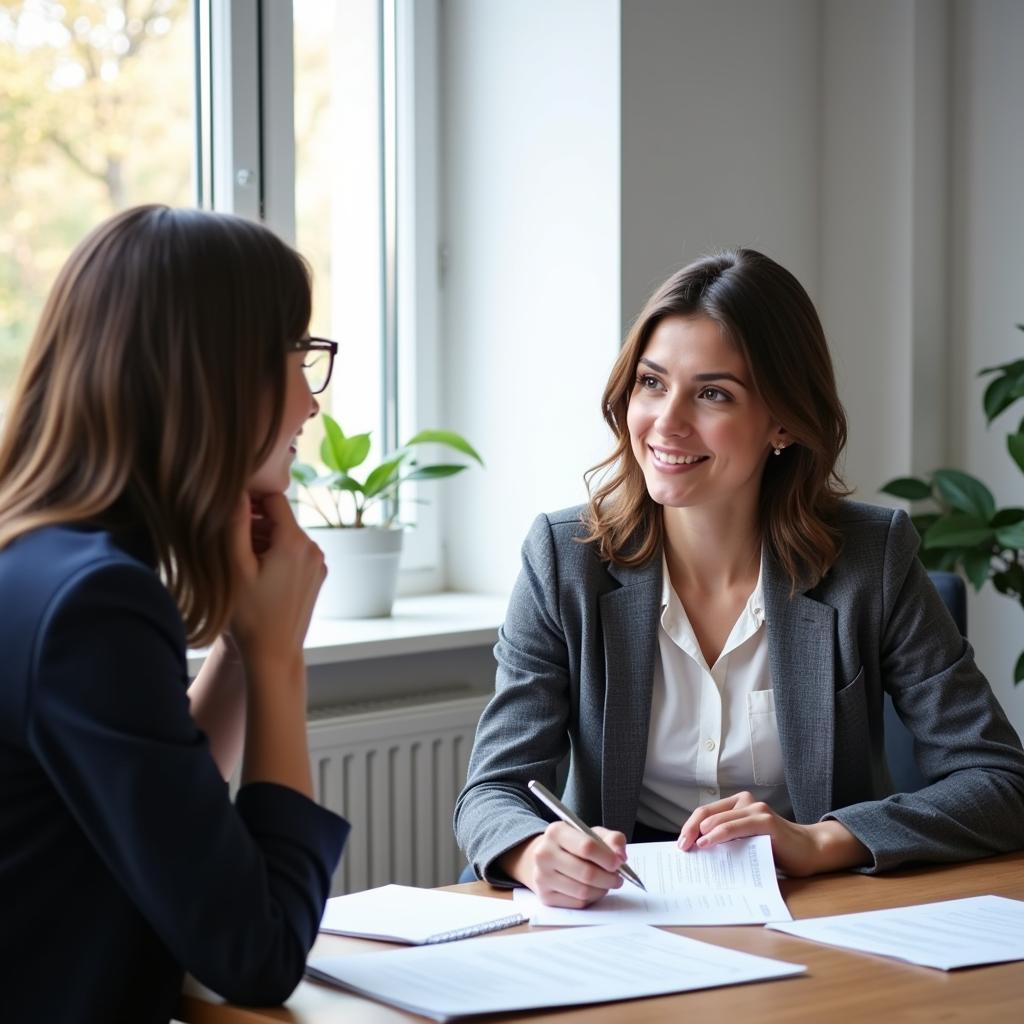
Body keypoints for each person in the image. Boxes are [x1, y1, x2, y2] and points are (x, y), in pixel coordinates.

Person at [454, 248, 1024, 908]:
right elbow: (492, 791)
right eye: (651, 383)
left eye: (713, 394)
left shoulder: (871, 558)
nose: (667, 423)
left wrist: (820, 840)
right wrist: (531, 852)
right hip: (621, 909)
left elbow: (999, 780)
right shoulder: (563, 559)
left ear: (781, 420)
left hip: (811, 906)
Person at [0, 206, 349, 1022]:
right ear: (216, 378)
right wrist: (276, 659)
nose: (311, 403)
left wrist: (237, 637)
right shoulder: (96, 606)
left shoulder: (42, 563)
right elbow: (256, 953)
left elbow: (159, 820)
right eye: (299, 356)